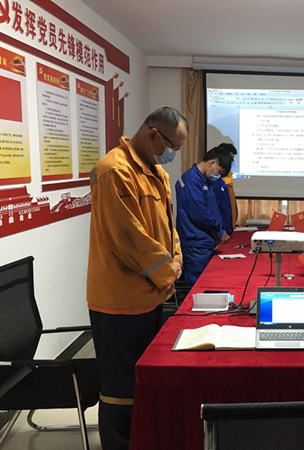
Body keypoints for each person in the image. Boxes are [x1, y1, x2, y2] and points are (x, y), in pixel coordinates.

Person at [87, 106, 187, 450]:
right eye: (172, 146)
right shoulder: (114, 170)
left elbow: (168, 227)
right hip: (120, 299)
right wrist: (168, 270)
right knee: (121, 387)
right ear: (153, 134)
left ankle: (144, 439)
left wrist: (176, 259)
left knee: (145, 377)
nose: (173, 154)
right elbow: (128, 237)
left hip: (152, 292)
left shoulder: (156, 172)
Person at [176, 147, 233, 285]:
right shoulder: (191, 180)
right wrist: (219, 232)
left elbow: (213, 210)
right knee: (199, 286)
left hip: (205, 241)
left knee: (209, 283)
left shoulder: (204, 180)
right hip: (196, 244)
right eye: (219, 172)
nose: (218, 176)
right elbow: (200, 213)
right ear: (212, 163)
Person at [217, 142, 238, 232]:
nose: (232, 161)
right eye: (231, 157)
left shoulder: (228, 178)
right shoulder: (216, 181)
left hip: (229, 229)